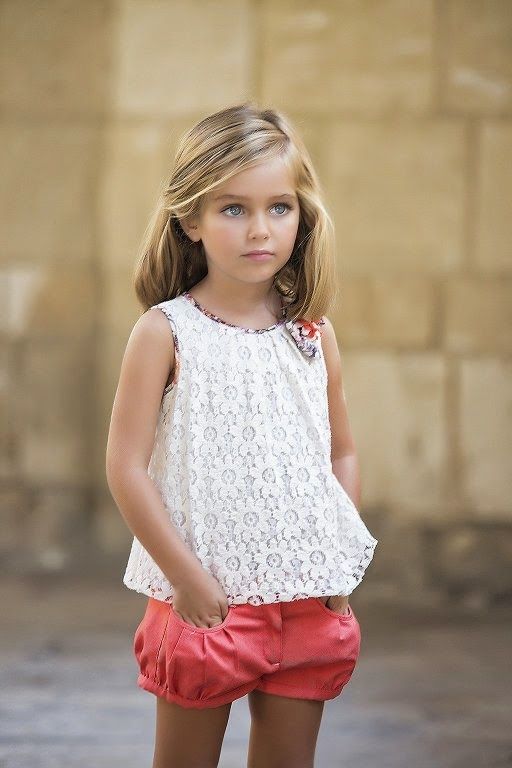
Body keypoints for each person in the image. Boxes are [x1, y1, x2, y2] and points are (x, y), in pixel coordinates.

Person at [105, 101, 378, 768]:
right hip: (206, 600)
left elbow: (340, 451)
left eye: (279, 207)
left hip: (307, 598)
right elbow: (126, 466)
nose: (260, 230)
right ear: (191, 220)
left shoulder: (311, 332)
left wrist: (337, 561)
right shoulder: (165, 332)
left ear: (301, 215)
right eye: (233, 209)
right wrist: (185, 577)